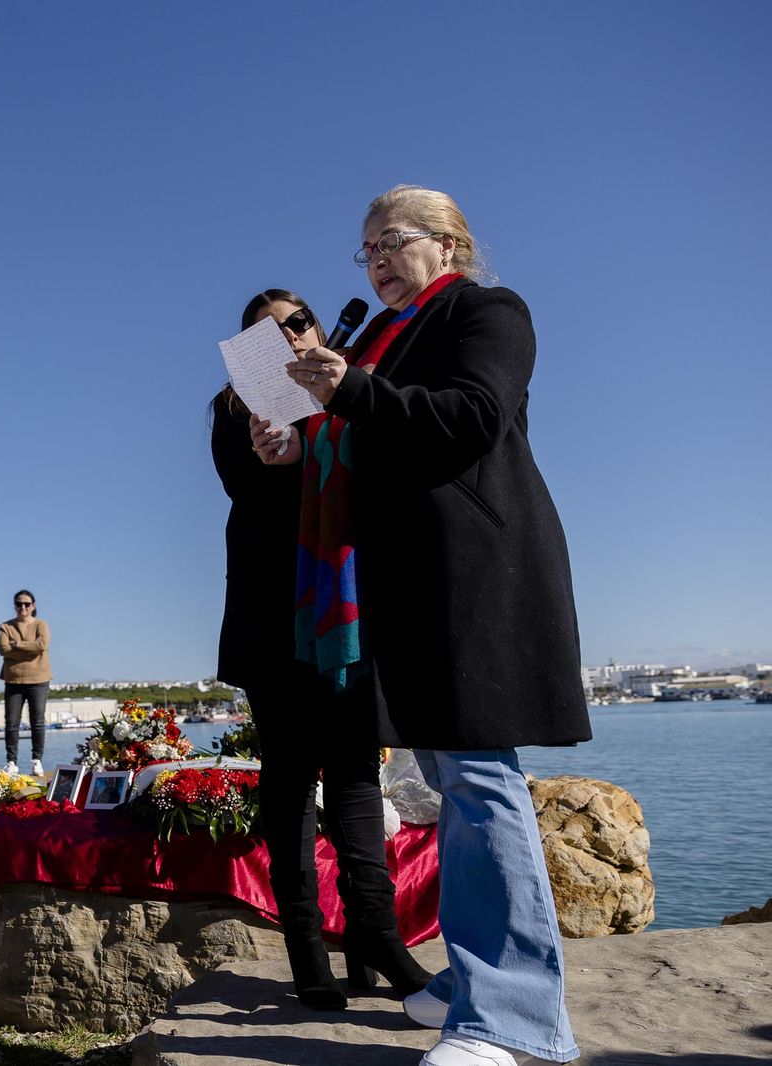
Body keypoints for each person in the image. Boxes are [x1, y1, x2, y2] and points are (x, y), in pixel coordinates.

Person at [257, 185, 588, 1066]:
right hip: (405, 584)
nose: (374, 263)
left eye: (389, 242)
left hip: (475, 576)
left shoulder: (487, 311)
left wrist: (352, 392)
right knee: (452, 777)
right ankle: (474, 980)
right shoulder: (377, 338)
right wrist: (297, 444)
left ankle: (512, 1021)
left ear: (450, 244)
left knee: (481, 779)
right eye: (363, 251)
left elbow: (471, 419)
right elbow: (361, 439)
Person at [212, 292, 429, 1012]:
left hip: (347, 609)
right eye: (268, 331)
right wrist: (278, 459)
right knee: (290, 775)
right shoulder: (233, 409)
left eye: (298, 321)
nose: (289, 334)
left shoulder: (348, 379)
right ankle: (306, 946)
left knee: (357, 771)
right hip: (275, 613)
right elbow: (245, 491)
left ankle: (377, 934)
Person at [0, 589, 49, 775]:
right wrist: (30, 649)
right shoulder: (5, 627)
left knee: (38, 723)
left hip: (39, 680)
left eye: (27, 604)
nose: (23, 607)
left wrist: (16, 645)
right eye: (19, 604)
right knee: (11, 724)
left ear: (33, 606)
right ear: (15, 606)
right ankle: (11, 762)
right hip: (13, 680)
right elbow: (3, 649)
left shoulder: (41, 624)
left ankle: (37, 760)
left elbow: (42, 645)